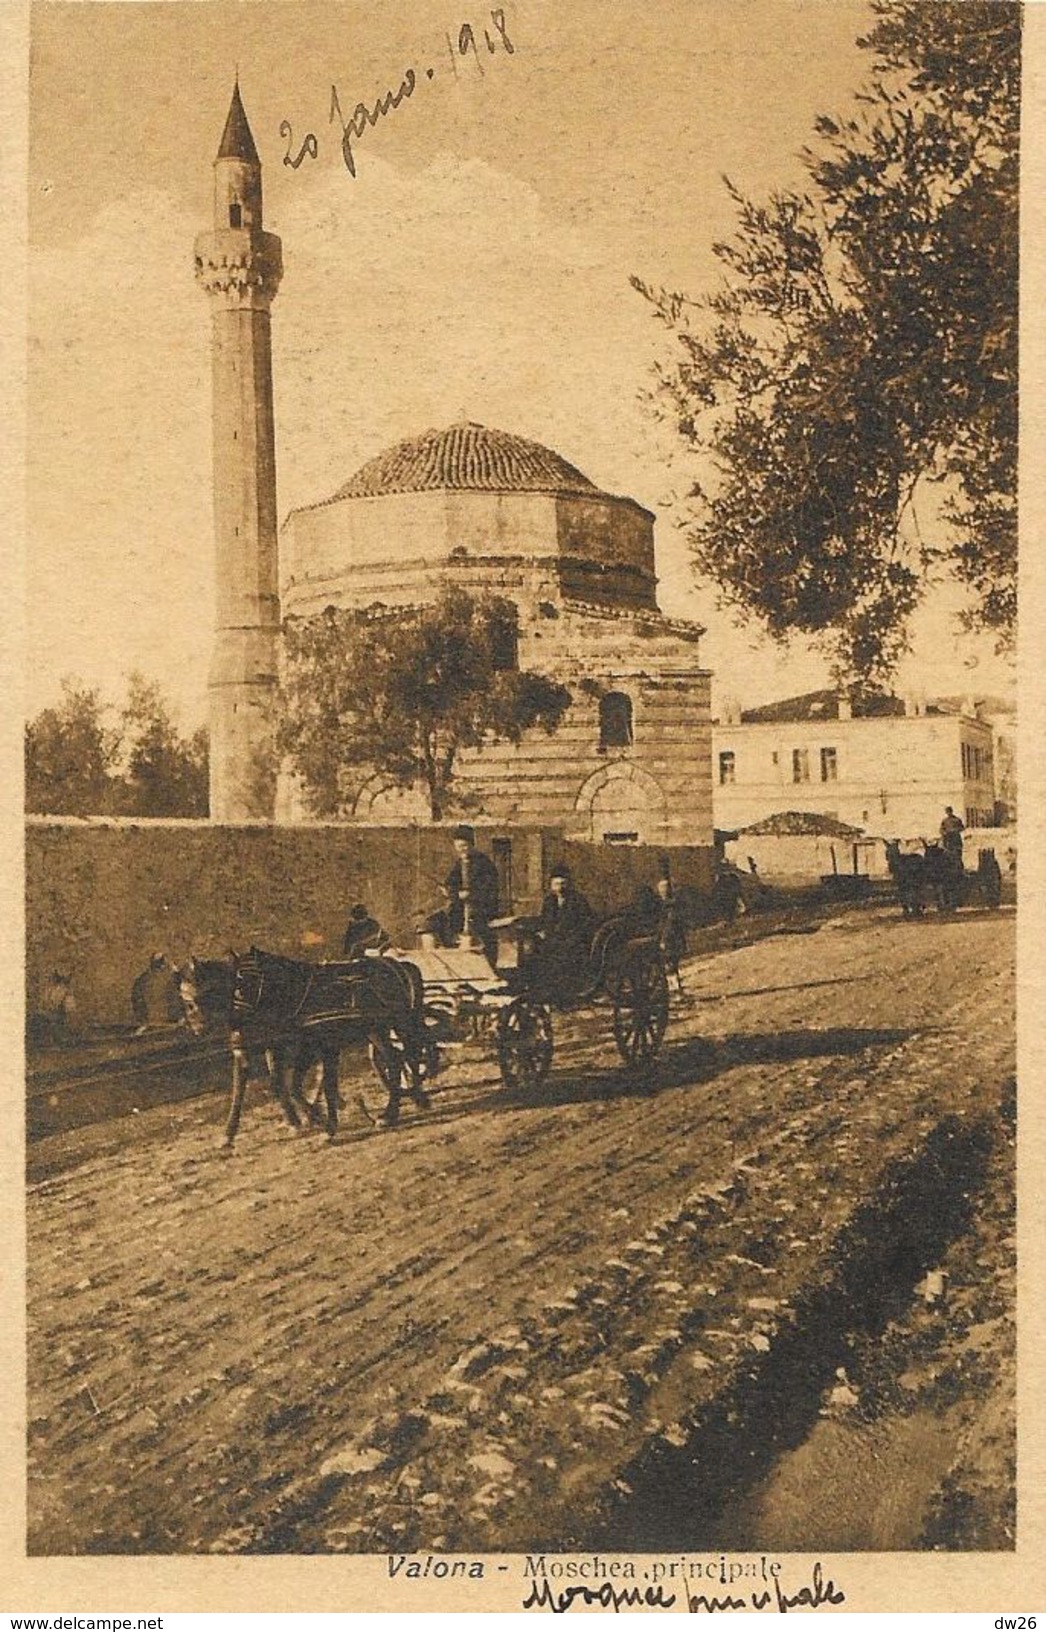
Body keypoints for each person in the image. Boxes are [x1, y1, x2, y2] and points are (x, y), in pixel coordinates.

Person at [433, 825, 501, 964]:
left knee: (481, 936)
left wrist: (470, 894)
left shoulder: (484, 863)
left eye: (464, 846)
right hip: (463, 910)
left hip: (482, 909)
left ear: (471, 844)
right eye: (458, 847)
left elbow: (489, 888)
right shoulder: (460, 863)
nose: (461, 850)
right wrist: (448, 890)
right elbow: (452, 881)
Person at [655, 868, 688, 994]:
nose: (661, 893)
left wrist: (663, 940)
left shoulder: (669, 908)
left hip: (670, 939)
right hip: (675, 939)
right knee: (672, 964)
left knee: (670, 965)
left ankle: (675, 990)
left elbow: (669, 925)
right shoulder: (672, 906)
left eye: (663, 892)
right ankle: (676, 988)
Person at [131, 953, 182, 1032]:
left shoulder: (173, 976)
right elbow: (138, 998)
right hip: (152, 1021)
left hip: (168, 1021)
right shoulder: (144, 979)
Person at [30, 970, 78, 1047]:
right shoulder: (61, 991)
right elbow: (70, 1009)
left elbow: (43, 1004)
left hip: (53, 1014)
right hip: (54, 1015)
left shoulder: (51, 990)